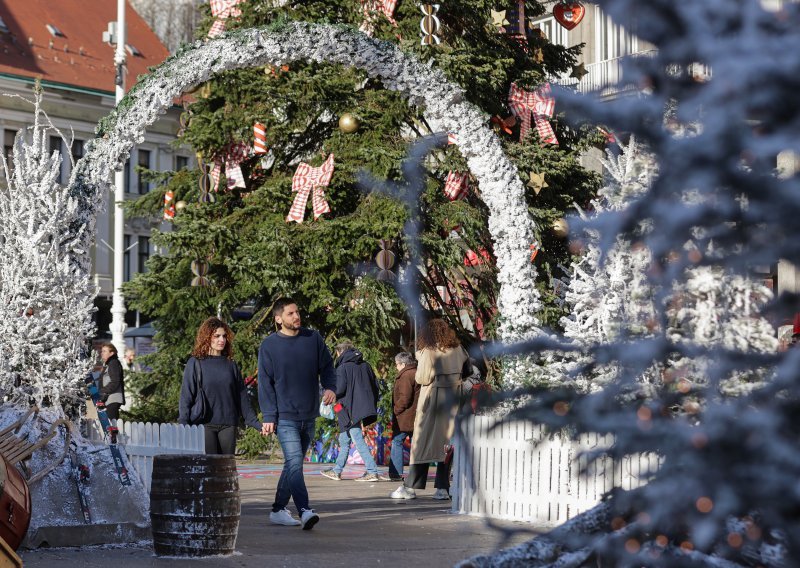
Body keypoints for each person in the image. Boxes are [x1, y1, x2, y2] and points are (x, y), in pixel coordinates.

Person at [258, 298, 336, 530]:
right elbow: (265, 383)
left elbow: (328, 367)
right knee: (294, 462)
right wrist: (269, 416)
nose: (296, 316)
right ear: (278, 318)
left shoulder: (313, 339)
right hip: (284, 417)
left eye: (297, 311)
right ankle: (304, 510)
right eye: (291, 313)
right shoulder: (269, 345)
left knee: (293, 464)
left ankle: (278, 510)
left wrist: (331, 387)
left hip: (309, 415)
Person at [390, 319, 469, 501]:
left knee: (422, 443)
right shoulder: (458, 349)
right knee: (445, 445)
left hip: (433, 400)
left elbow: (423, 378)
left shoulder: (429, 351)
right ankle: (442, 488)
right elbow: (467, 371)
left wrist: (421, 357)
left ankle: (410, 487)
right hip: (453, 400)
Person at [178, 317, 262, 455]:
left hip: (228, 424)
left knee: (226, 469)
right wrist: (183, 423)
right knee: (210, 468)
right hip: (204, 424)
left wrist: (255, 423)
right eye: (216, 336)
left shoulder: (231, 364)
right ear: (206, 337)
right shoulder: (195, 363)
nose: (221, 340)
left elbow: (242, 397)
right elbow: (186, 396)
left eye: (224, 336)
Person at [321, 341, 388, 482]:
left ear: (341, 352)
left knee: (356, 438)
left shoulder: (343, 367)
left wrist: (328, 391)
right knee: (344, 439)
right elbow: (375, 385)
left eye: (337, 353)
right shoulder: (366, 365)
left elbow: (339, 389)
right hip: (361, 408)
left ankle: (372, 471)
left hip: (347, 408)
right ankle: (337, 470)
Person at [388, 351, 420, 482]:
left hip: (405, 417)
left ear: (403, 364)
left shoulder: (406, 375)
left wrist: (396, 410)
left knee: (397, 441)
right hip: (415, 415)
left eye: (397, 364)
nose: (396, 367)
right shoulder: (415, 372)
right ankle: (416, 474)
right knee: (415, 444)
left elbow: (405, 398)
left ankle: (396, 473)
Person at [99, 343, 125, 420]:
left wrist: (103, 391)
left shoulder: (113, 363)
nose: (102, 353)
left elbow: (115, 381)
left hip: (113, 399)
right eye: (102, 351)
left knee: (111, 423)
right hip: (109, 399)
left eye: (104, 351)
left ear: (112, 353)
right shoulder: (109, 364)